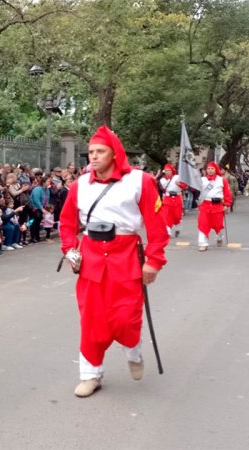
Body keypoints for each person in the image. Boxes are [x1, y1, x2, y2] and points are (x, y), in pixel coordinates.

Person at [59, 126, 168, 398]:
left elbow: (157, 226)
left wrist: (154, 260)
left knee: (126, 318)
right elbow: (67, 222)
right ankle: (90, 375)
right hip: (92, 258)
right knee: (91, 320)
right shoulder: (79, 185)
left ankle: (134, 351)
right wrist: (71, 252)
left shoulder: (140, 181)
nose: (93, 157)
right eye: (91, 152)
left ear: (114, 153)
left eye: (100, 152)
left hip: (126, 257)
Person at [196, 162, 232, 251]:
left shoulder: (222, 180)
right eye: (208, 169)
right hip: (205, 205)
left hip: (217, 205)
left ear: (216, 170)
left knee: (218, 225)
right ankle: (203, 243)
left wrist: (227, 204)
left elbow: (227, 193)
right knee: (203, 224)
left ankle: (219, 236)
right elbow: (196, 191)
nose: (210, 170)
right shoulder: (202, 180)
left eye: (212, 169)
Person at [158, 163, 186, 237]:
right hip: (167, 199)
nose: (167, 172)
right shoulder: (162, 180)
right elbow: (163, 189)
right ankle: (168, 231)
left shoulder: (178, 177)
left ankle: (178, 227)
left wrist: (179, 184)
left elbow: (185, 186)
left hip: (177, 198)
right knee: (167, 216)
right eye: (166, 170)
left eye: (169, 170)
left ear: (172, 171)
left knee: (177, 216)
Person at [29, 176, 51, 243]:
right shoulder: (37, 189)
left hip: (41, 208)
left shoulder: (46, 190)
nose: (49, 182)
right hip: (34, 208)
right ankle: (32, 237)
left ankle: (37, 236)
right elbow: (36, 200)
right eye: (48, 181)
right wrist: (42, 209)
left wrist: (46, 209)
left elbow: (47, 199)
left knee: (38, 222)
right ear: (44, 182)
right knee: (33, 222)